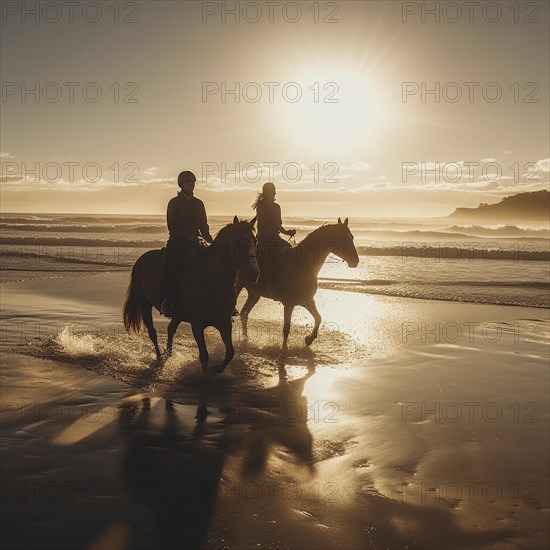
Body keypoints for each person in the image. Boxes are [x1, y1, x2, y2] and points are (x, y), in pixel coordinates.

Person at [160, 171, 213, 317]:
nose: (192, 185)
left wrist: (209, 237)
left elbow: (203, 224)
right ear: (182, 185)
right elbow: (172, 226)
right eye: (189, 183)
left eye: (193, 183)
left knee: (212, 266)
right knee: (173, 269)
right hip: (177, 243)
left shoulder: (199, 204)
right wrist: (188, 236)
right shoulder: (174, 203)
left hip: (195, 243)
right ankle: (168, 301)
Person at [252, 182, 296, 293]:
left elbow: (278, 225)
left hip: (274, 237)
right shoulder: (260, 207)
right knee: (270, 257)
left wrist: (287, 232)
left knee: (288, 249)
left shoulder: (277, 207)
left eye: (275, 190)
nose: (275, 193)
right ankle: (267, 282)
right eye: (273, 191)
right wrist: (283, 231)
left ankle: (284, 279)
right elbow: (265, 224)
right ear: (268, 192)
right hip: (263, 238)